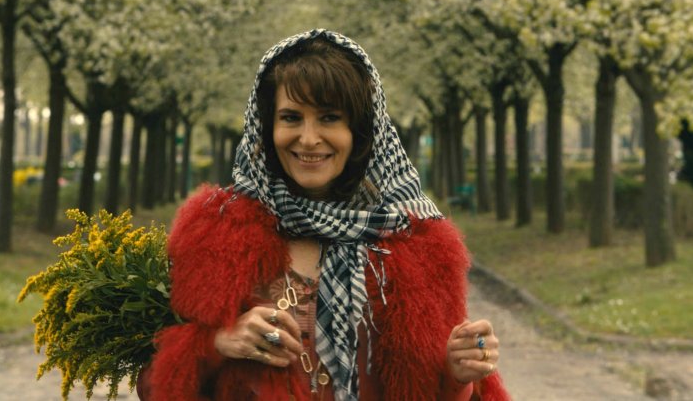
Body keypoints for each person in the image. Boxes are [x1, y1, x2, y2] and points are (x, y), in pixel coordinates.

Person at [138, 29, 510, 400]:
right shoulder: (214, 232)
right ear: (267, 127)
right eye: (291, 117)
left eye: (329, 117)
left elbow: (434, 391)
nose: (309, 138)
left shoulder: (419, 246)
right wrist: (217, 343)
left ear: (360, 131)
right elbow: (153, 386)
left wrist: (459, 374)